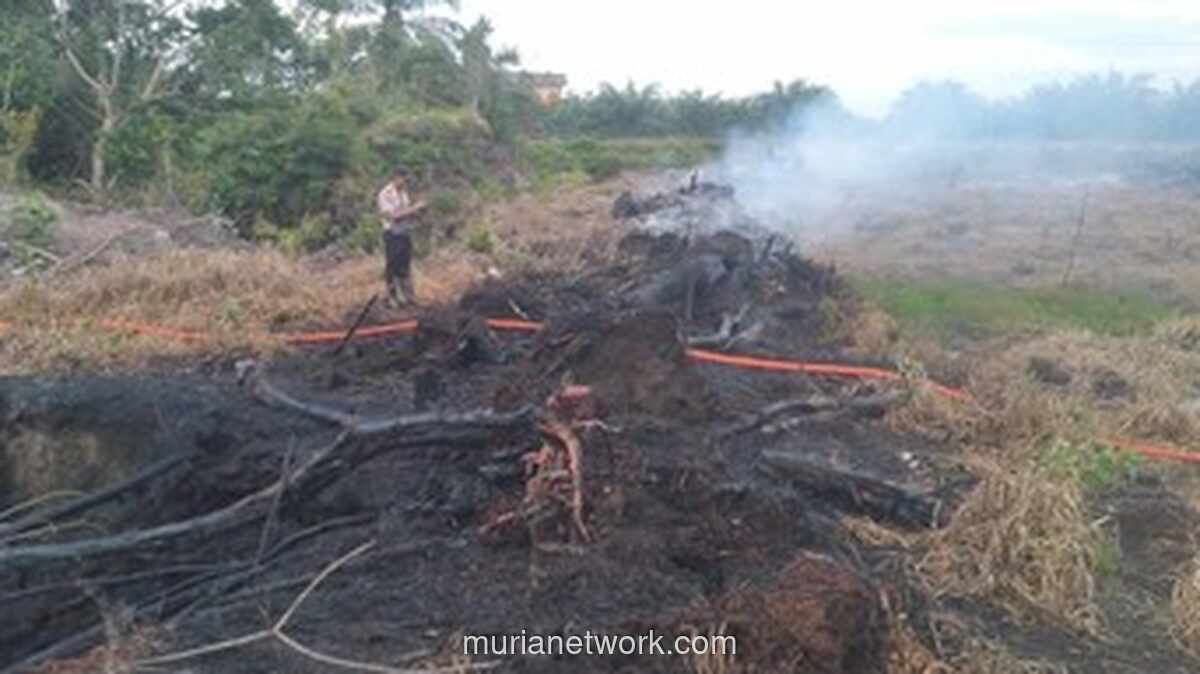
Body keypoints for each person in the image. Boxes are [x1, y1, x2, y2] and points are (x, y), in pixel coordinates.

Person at [377, 167, 426, 306]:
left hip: (404, 232)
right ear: (396, 177)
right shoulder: (385, 194)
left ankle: (409, 297)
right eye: (403, 178)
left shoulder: (404, 193)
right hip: (392, 233)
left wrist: (418, 213)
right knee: (392, 265)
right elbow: (392, 216)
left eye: (406, 179)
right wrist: (414, 208)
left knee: (405, 265)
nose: (405, 182)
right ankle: (392, 297)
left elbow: (405, 213)